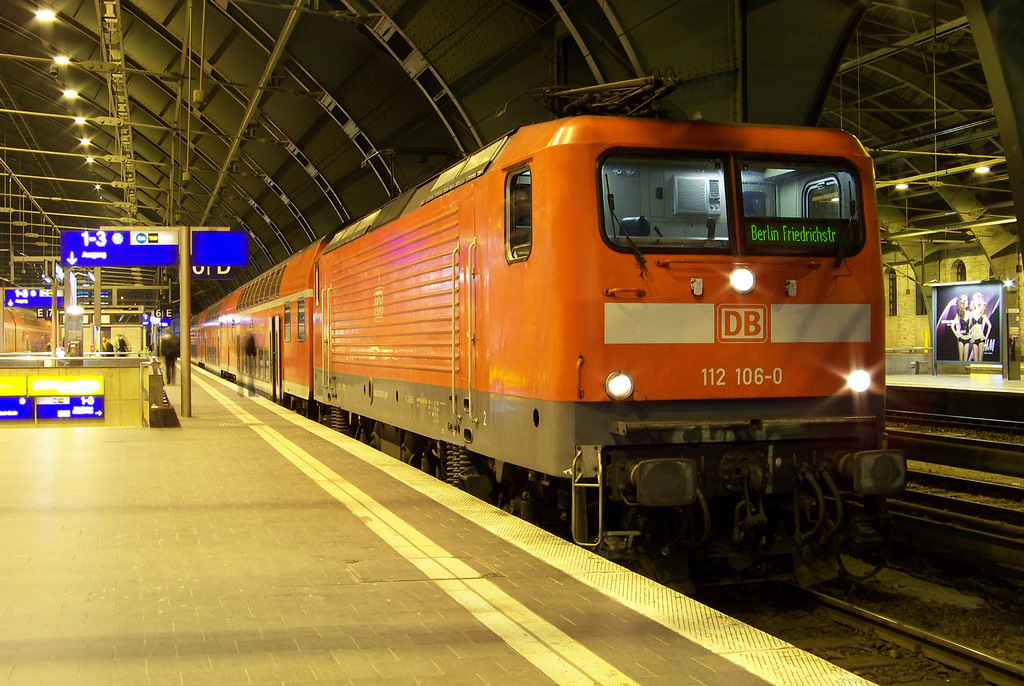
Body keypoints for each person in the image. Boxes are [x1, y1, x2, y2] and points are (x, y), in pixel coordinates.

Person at [242, 329, 257, 396]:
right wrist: (254, 355)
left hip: (247, 358)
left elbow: (247, 349)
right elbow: (252, 348)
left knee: (249, 375)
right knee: (251, 375)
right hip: (250, 358)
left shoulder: (246, 339)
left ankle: (250, 391)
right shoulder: (251, 338)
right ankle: (251, 392)